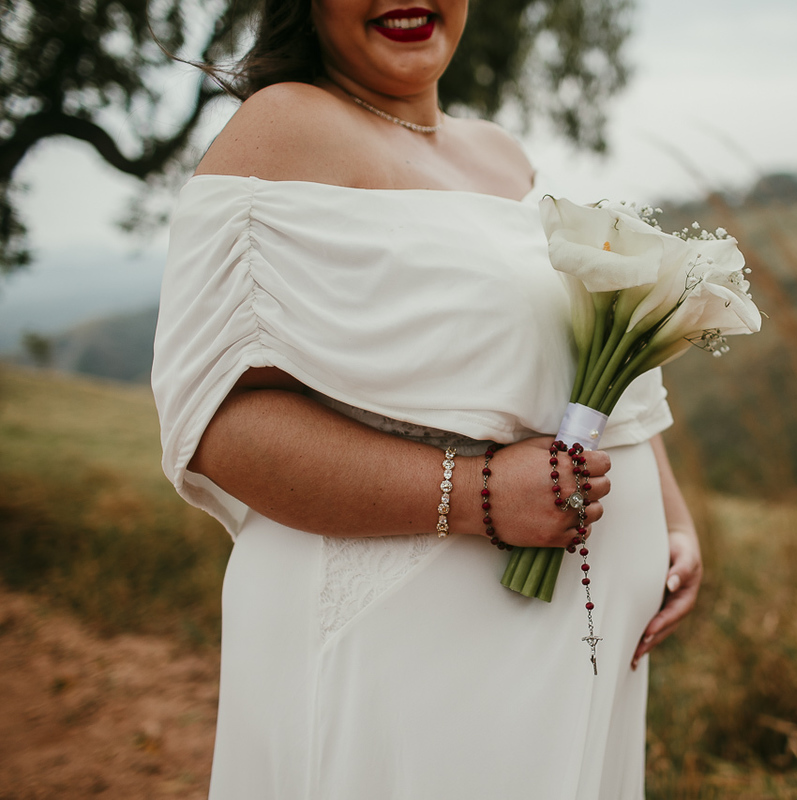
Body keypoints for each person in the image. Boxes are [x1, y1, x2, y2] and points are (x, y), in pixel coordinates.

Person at [150, 1, 703, 797]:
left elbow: (581, 358)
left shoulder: (501, 155)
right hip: (413, 652)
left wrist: (672, 520)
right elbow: (222, 427)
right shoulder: (285, 126)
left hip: (574, 645)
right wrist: (481, 496)